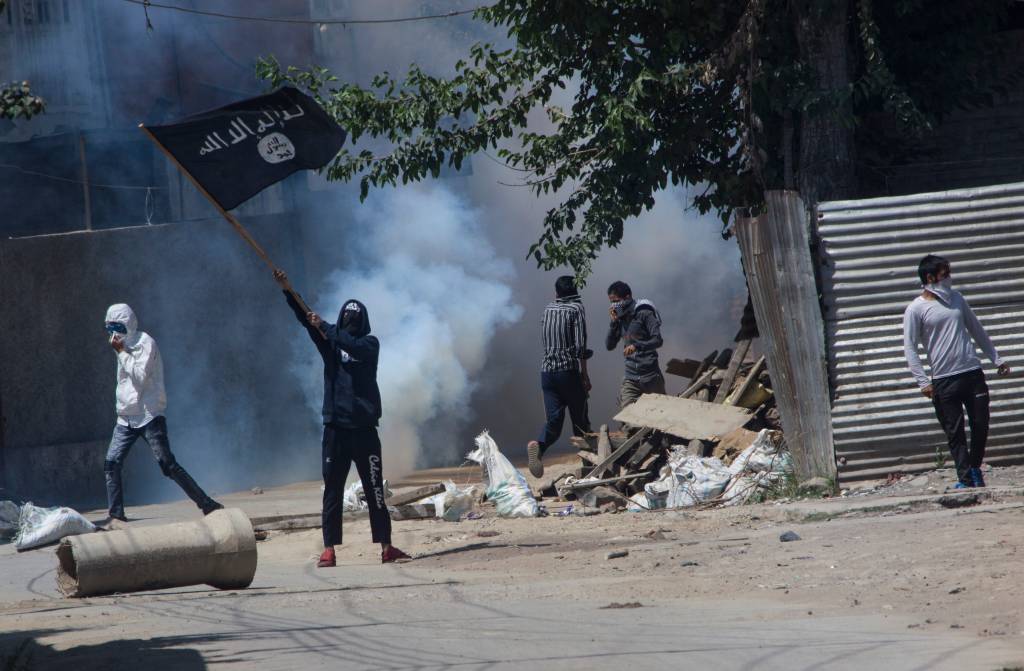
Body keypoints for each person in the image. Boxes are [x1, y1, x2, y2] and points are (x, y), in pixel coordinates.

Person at [273, 269, 410, 567]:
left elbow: (347, 341)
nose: (349, 324)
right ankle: (329, 549)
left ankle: (386, 546)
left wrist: (327, 326)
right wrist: (288, 290)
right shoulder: (331, 344)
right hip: (335, 430)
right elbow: (307, 320)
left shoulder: (369, 345)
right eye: (346, 319)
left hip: (364, 431)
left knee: (375, 491)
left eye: (352, 320)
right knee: (332, 492)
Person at [102, 303, 223, 524]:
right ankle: (116, 514)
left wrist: (121, 353)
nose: (113, 333)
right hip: (126, 416)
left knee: (168, 465)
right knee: (112, 463)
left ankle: (207, 504)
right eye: (109, 328)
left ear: (127, 324)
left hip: (149, 414)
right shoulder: (121, 346)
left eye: (117, 326)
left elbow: (140, 377)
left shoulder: (145, 343)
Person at [903, 255, 1010, 489]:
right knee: (955, 433)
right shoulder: (916, 309)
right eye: (945, 274)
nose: (949, 278)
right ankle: (965, 480)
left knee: (981, 423)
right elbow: (909, 346)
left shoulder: (957, 299)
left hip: (972, 373)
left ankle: (974, 467)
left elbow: (976, 329)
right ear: (930, 278)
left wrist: (996, 358)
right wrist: (923, 382)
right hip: (943, 380)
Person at [526, 275, 593, 478]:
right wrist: (585, 375)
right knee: (580, 421)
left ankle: (539, 445)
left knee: (554, 421)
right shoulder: (576, 309)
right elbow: (580, 347)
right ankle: (589, 465)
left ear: (556, 293)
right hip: (568, 372)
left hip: (547, 373)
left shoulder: (548, 309)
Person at [605, 281, 665, 410]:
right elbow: (609, 346)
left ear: (627, 297)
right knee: (627, 418)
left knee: (659, 416)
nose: (614, 305)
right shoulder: (619, 318)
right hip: (630, 377)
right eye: (611, 302)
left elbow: (658, 340)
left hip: (651, 376)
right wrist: (613, 323)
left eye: (616, 300)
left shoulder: (644, 312)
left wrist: (637, 346)